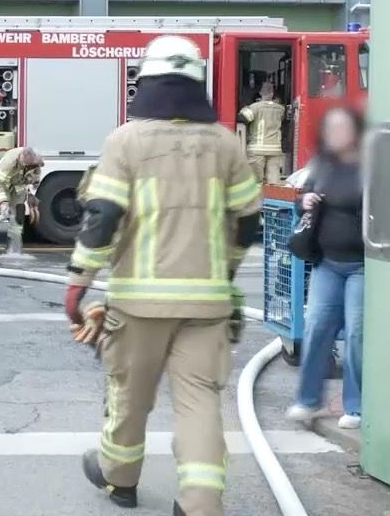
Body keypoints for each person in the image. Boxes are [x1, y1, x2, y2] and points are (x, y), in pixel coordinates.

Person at [64, 34, 262, 516]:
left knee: (129, 397)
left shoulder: (126, 141)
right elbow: (247, 223)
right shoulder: (226, 145)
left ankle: (120, 479)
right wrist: (226, 275)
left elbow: (103, 219)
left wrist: (77, 285)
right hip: (208, 306)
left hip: (139, 304)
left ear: (145, 83)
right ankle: (199, 503)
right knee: (200, 405)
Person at [286, 106, 365, 431]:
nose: (335, 135)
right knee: (317, 327)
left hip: (361, 265)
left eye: (342, 128)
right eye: (330, 129)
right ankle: (308, 400)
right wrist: (302, 201)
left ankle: (356, 406)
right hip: (327, 264)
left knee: (358, 332)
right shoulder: (322, 165)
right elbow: (303, 197)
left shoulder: (369, 166)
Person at [0, 146, 45, 255]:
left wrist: (32, 190)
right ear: (21, 157)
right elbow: (0, 185)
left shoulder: (36, 161)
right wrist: (4, 203)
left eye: (28, 165)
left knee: (19, 212)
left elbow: (35, 176)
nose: (25, 166)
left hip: (18, 184)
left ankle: (13, 245)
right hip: (2, 182)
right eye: (23, 163)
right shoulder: (9, 162)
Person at [239, 82, 286, 184]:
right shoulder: (281, 109)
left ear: (260, 93)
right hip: (275, 149)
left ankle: (257, 199)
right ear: (272, 93)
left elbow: (243, 118)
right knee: (273, 183)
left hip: (257, 149)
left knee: (256, 182)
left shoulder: (255, 107)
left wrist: (243, 109)